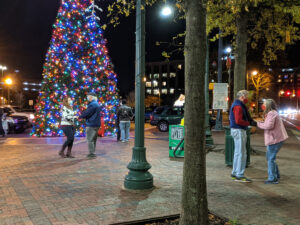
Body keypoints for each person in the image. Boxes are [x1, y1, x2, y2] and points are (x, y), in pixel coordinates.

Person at [256, 99, 288, 184]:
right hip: (276, 138)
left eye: (264, 104)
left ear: (268, 106)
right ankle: (276, 175)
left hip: (274, 139)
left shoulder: (271, 113)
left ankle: (272, 178)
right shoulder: (273, 113)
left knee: (270, 159)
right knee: (270, 158)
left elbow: (269, 125)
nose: (263, 105)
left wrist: (258, 123)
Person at [229, 90, 257, 182]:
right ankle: (239, 175)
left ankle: (235, 172)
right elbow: (238, 120)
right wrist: (249, 123)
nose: (247, 99)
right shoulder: (238, 106)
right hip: (239, 130)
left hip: (236, 129)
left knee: (238, 152)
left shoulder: (237, 104)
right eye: (246, 97)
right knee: (242, 153)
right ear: (242, 96)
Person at [79, 92, 101, 158]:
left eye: (88, 96)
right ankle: (93, 152)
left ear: (91, 97)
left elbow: (87, 113)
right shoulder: (97, 104)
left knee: (90, 139)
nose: (87, 98)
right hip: (96, 124)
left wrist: (80, 116)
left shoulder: (92, 104)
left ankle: (92, 154)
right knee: (93, 139)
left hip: (91, 124)